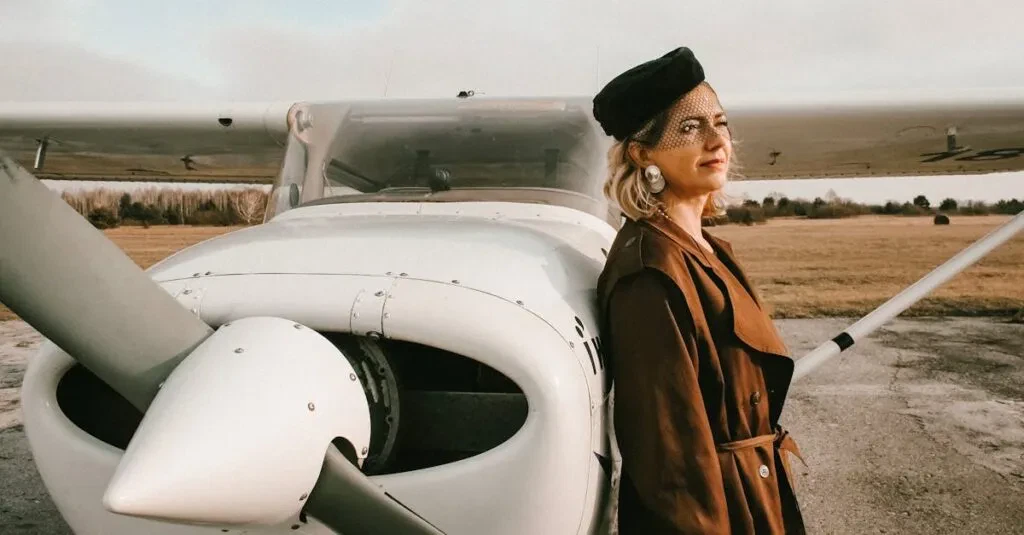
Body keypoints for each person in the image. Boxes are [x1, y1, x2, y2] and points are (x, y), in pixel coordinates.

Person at [593, 47, 806, 534]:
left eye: (721, 122)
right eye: (689, 128)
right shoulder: (651, 270)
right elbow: (671, 463)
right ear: (642, 152)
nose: (717, 140)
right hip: (720, 512)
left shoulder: (705, 247)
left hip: (754, 496)